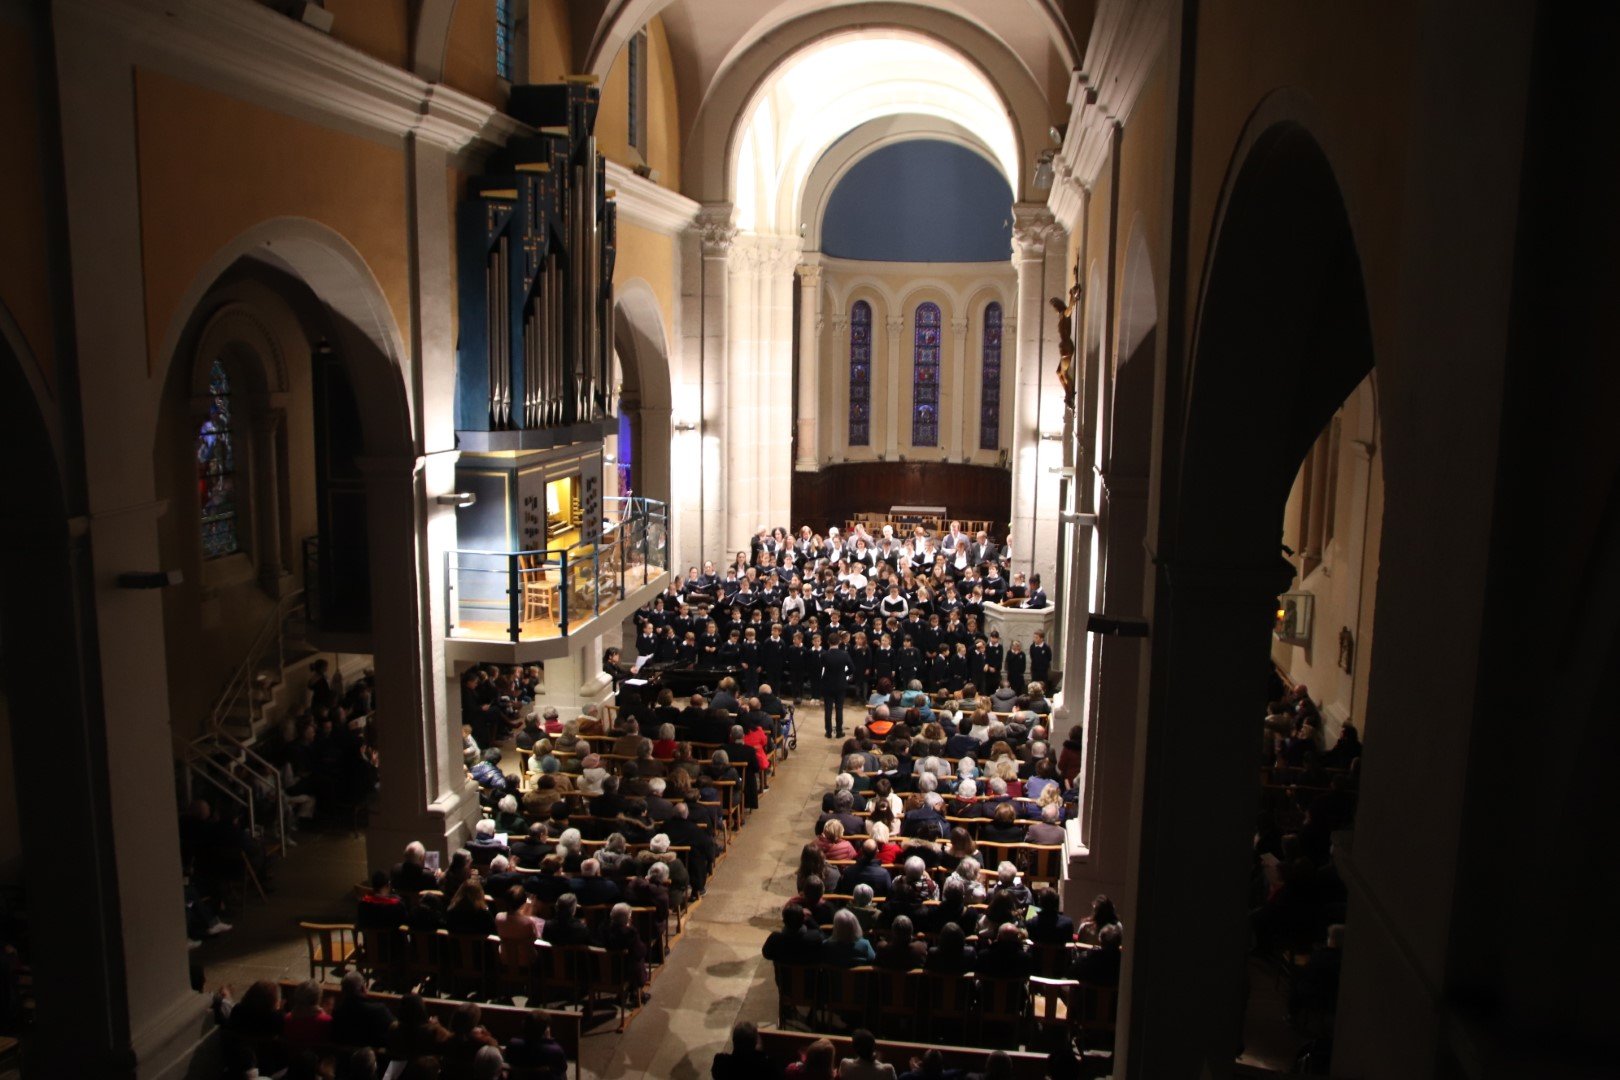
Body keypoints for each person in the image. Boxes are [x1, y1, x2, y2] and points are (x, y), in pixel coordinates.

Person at [331, 971, 395, 1048]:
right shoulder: (379, 1010)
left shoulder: (337, 1013)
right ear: (363, 988)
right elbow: (395, 1031)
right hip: (375, 1058)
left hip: (345, 1058)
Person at [505, 1010, 569, 1078]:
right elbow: (563, 1068)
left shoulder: (513, 1044)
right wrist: (549, 1040)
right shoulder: (556, 1050)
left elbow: (508, 1060)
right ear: (546, 1030)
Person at [712, 1019, 783, 1080]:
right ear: (755, 1043)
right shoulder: (767, 1067)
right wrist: (761, 1053)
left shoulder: (721, 1064)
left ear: (733, 1040)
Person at [820, 631, 852, 737]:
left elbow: (821, 668)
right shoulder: (844, 654)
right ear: (839, 642)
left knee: (828, 709)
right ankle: (839, 732)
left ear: (828, 642)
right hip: (840, 684)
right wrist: (844, 674)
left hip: (827, 684)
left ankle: (828, 732)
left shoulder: (824, 655)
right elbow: (852, 669)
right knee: (839, 709)